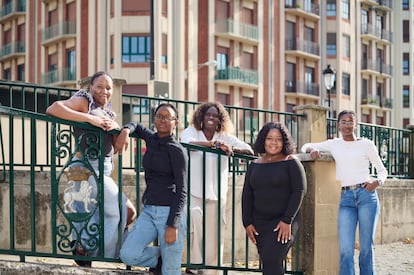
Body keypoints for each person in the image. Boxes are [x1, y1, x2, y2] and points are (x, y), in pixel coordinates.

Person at [46, 71, 137, 266]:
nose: (104, 91)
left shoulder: (108, 112)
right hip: (85, 166)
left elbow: (116, 148)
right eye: (99, 86)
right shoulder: (84, 101)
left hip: (103, 168)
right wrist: (89, 119)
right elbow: (53, 109)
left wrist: (121, 130)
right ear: (90, 87)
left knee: (127, 212)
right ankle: (100, 252)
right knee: (115, 209)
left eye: (108, 88)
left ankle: (86, 249)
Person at [301, 110, 388, 275]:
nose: (347, 125)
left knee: (365, 248)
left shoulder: (367, 144)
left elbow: (382, 170)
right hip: (346, 199)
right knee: (346, 249)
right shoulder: (334, 144)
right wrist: (311, 150)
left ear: (355, 125)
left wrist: (377, 182)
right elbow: (305, 145)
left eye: (350, 121)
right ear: (338, 125)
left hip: (366, 196)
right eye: (344, 122)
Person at [180, 102, 253, 275]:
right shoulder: (192, 131)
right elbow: (185, 142)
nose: (211, 118)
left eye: (215, 116)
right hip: (194, 190)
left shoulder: (225, 136)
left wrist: (231, 149)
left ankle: (212, 271)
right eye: (208, 115)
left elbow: (249, 150)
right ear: (201, 117)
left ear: (220, 120)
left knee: (214, 233)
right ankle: (195, 266)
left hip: (217, 192)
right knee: (195, 222)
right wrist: (213, 145)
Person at [115, 103, 188, 275]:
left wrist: (173, 224)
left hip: (169, 213)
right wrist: (125, 130)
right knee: (127, 255)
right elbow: (137, 126)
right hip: (149, 211)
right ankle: (162, 255)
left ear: (175, 122)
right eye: (159, 116)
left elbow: (182, 190)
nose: (162, 120)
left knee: (171, 271)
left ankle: (169, 258)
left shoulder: (177, 150)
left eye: (167, 117)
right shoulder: (151, 139)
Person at [242, 121, 307, 275]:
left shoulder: (291, 162)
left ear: (284, 142)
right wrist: (247, 222)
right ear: (263, 140)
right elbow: (247, 195)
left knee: (272, 259)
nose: (274, 143)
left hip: (284, 222)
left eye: (278, 139)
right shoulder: (254, 164)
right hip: (260, 223)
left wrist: (287, 220)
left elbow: (299, 191)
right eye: (270, 138)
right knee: (269, 262)